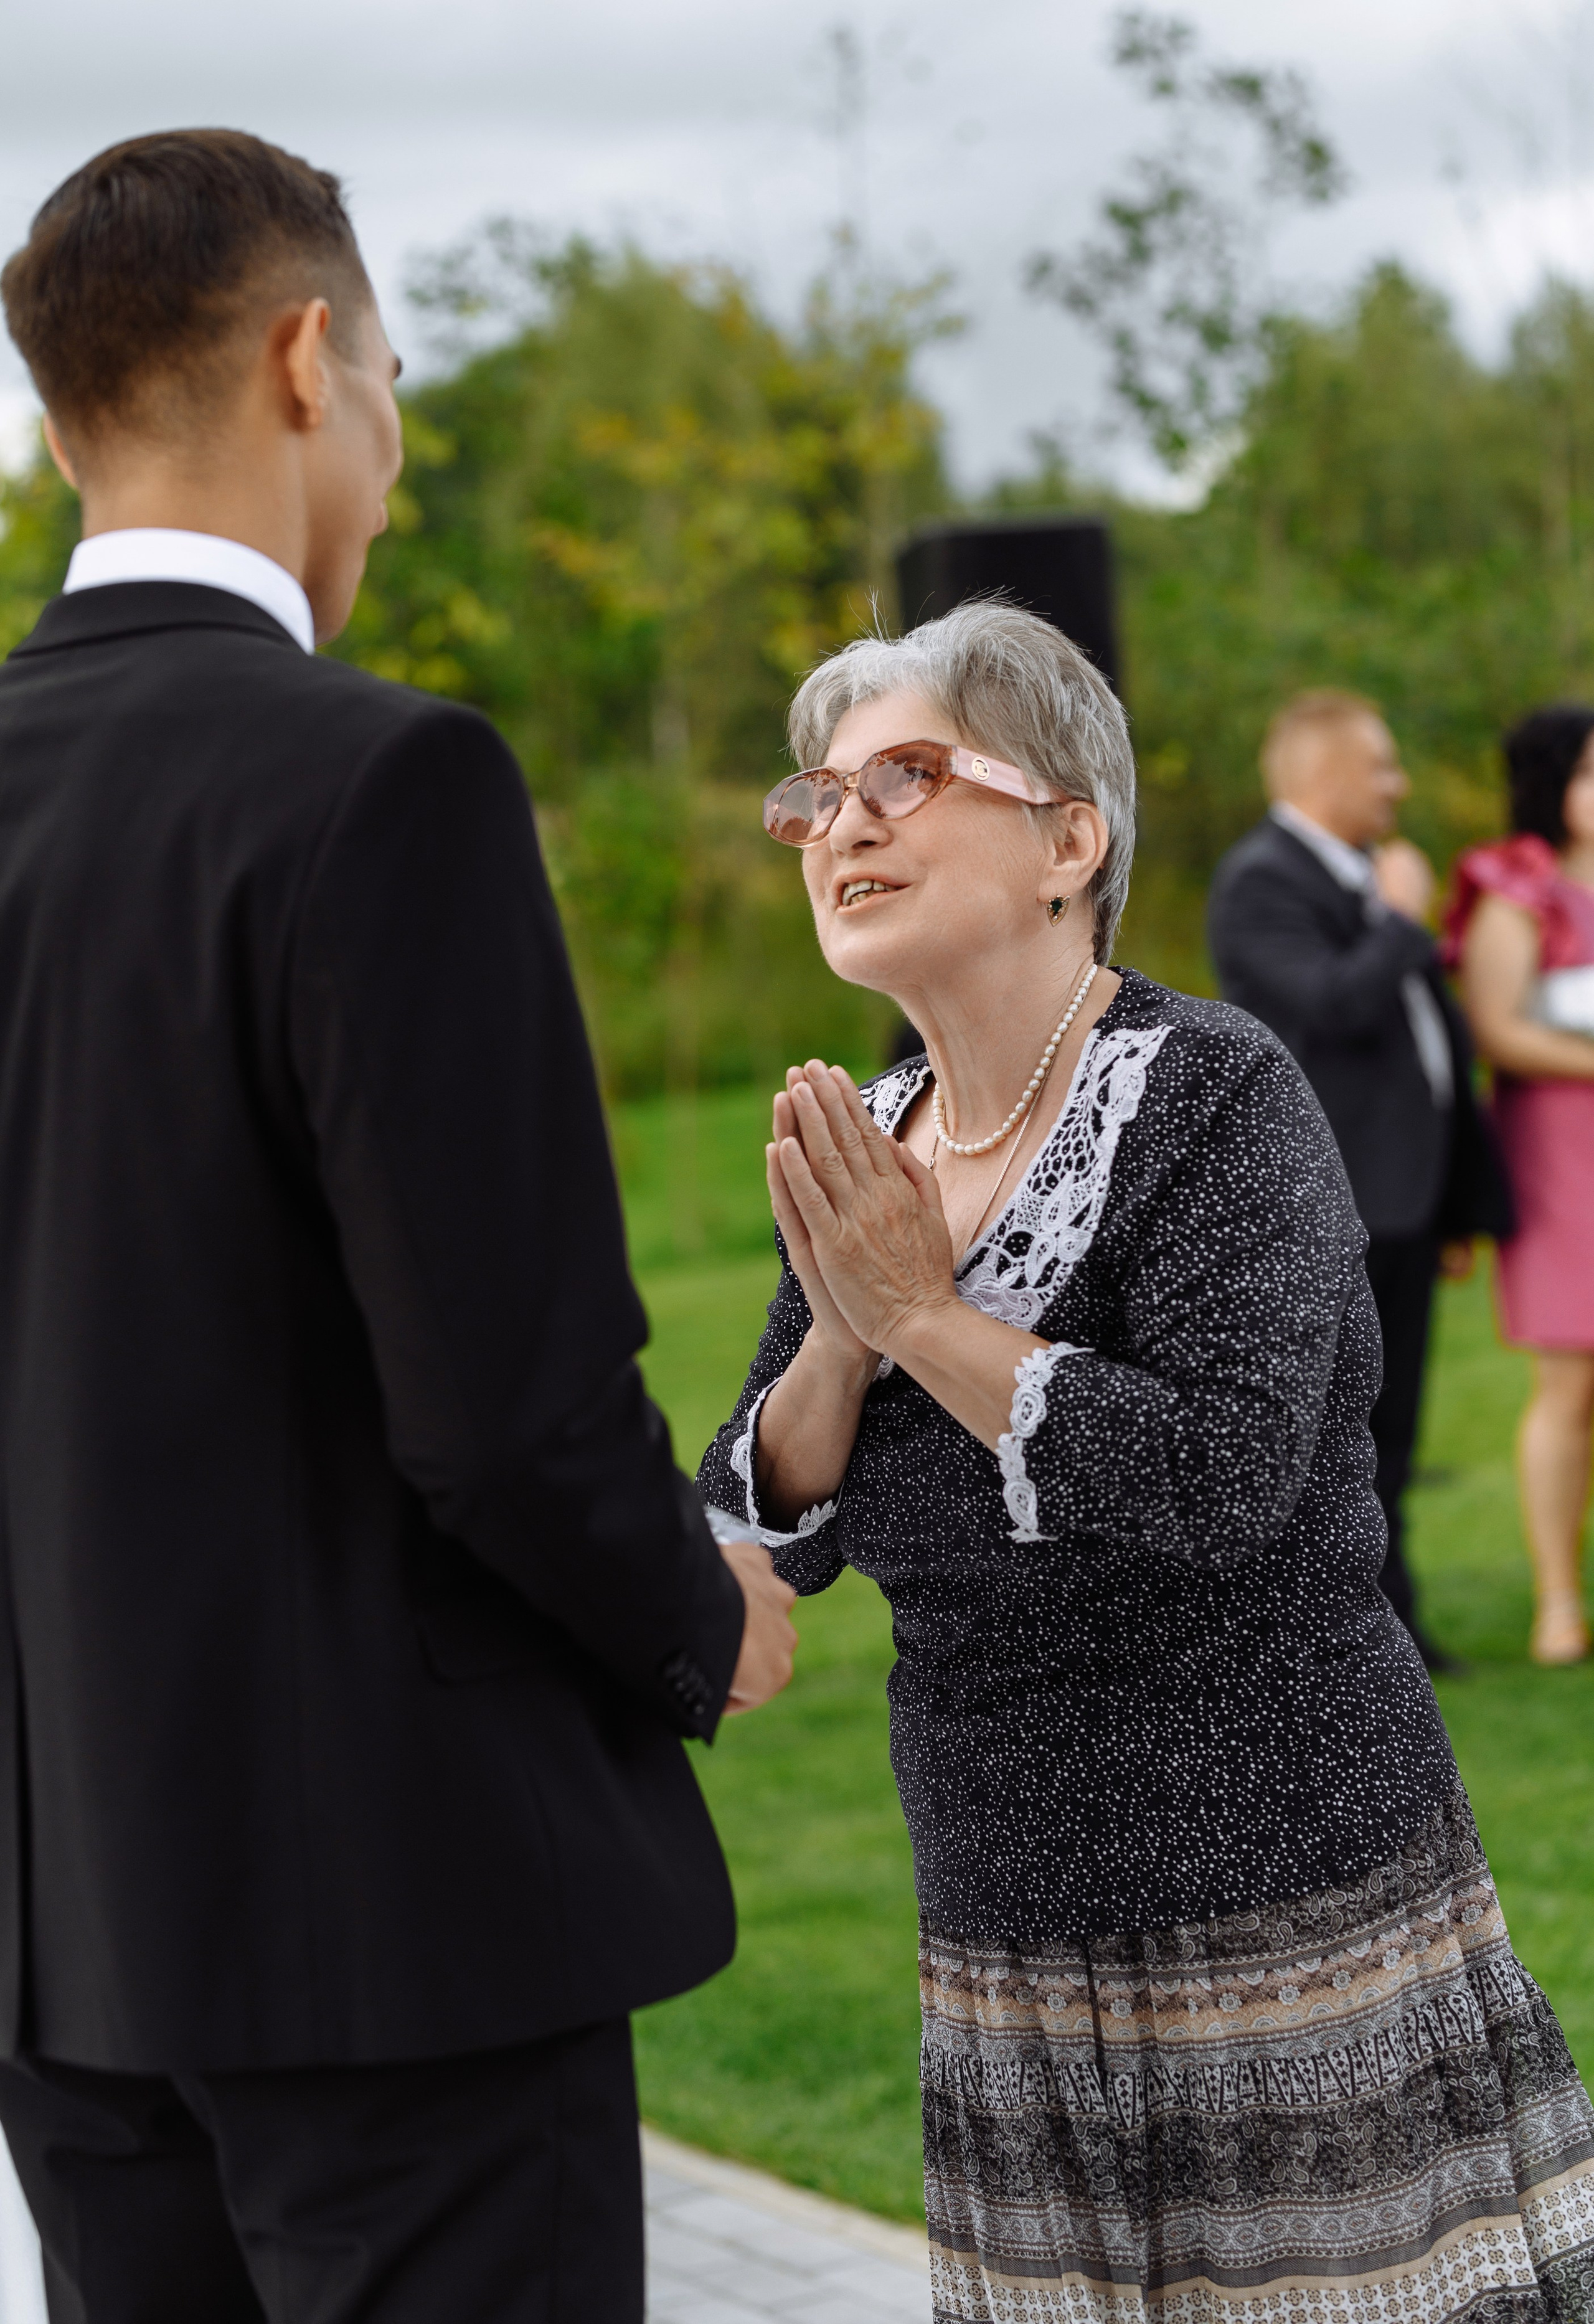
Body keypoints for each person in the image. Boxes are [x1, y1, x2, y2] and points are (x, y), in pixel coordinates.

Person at [0, 130, 798, 2323]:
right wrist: (688, 1608)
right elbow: (505, 1401)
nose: (398, 450)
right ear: (304, 356)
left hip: (65, 1936)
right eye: (395, 385)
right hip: (401, 1925)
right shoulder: (382, 781)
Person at [700, 602, 1594, 2323]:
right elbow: (757, 1513)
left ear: (1069, 839)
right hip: (1006, 1924)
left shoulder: (1215, 1094)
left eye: (906, 774)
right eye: (820, 794)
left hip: (1275, 1904)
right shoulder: (881, 1132)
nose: (846, 822)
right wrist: (843, 1325)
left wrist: (923, 1314)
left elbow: (1226, 1473)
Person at [1207, 692, 1511, 1673]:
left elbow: (1426, 1049)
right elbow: (1332, 1008)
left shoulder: (1368, 878)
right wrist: (1399, 921)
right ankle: (1353, 1638)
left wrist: (1458, 1198)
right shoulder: (1258, 883)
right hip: (1332, 1208)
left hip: (1407, 1202)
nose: (1398, 784)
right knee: (1342, 1432)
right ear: (1323, 773)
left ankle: (1394, 1626)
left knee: (1399, 1423)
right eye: (1380, 766)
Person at [1448, 706, 1594, 1665]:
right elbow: (1497, 1028)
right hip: (1563, 1157)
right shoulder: (1518, 888)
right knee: (1569, 1382)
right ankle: (1556, 1603)